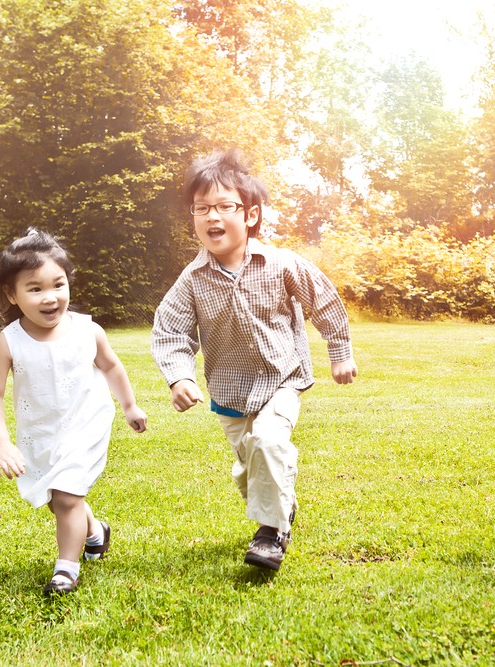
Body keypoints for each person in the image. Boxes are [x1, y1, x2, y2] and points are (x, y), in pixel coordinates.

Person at [151, 149, 357, 572]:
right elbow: (170, 331)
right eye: (201, 208)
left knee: (267, 442)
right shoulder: (192, 280)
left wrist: (340, 354)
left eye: (225, 206)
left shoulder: (280, 263)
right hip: (229, 391)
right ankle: (281, 507)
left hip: (282, 378)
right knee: (249, 471)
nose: (213, 216)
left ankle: (270, 534)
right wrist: (179, 377)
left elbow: (326, 302)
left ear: (250, 215)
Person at [0, 228, 147, 596]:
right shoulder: (9, 341)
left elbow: (112, 366)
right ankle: (95, 532)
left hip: (86, 422)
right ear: (13, 294)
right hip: (41, 431)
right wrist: (0, 442)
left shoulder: (88, 331)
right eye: (35, 289)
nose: (50, 297)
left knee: (68, 494)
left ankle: (66, 569)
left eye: (58, 285)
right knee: (60, 500)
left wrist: (130, 404)